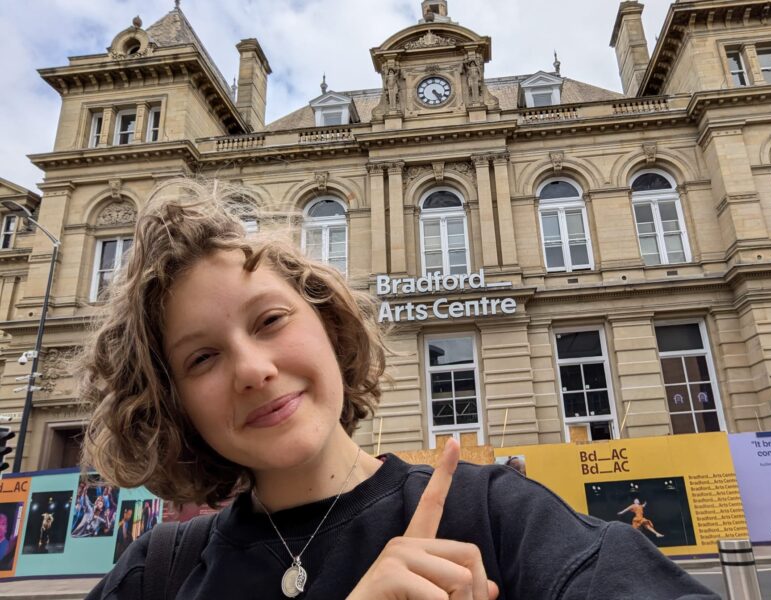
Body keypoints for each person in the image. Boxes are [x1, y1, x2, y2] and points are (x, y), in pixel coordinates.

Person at [81, 180, 717, 599]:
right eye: (201, 358)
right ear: (174, 403)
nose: (251, 369)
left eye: (270, 321)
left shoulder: (496, 518)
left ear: (329, 326)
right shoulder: (155, 576)